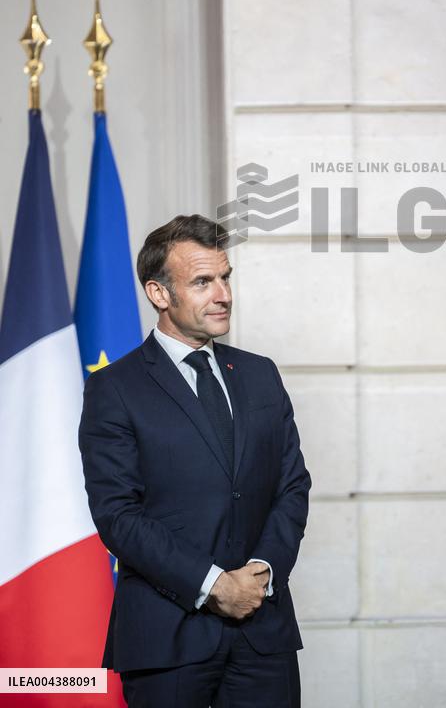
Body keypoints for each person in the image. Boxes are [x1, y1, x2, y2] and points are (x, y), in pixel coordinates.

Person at [78, 214, 311, 708]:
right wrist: (214, 585)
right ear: (159, 294)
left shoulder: (261, 375)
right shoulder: (114, 389)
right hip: (167, 639)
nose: (223, 294)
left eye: (225, 277)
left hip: (263, 634)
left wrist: (262, 572)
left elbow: (292, 486)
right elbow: (118, 514)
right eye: (203, 282)